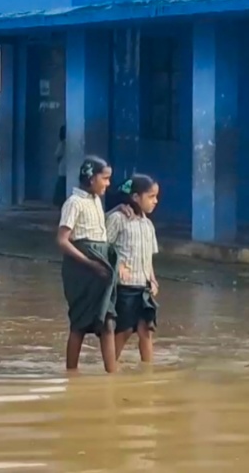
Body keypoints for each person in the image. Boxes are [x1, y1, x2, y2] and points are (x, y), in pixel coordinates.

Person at [56, 156, 118, 373]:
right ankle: (71, 373)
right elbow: (63, 240)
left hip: (100, 268)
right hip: (81, 270)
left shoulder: (95, 202)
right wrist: (90, 263)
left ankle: (113, 375)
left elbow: (96, 228)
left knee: (108, 320)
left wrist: (120, 209)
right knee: (80, 324)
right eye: (105, 178)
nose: (108, 184)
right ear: (92, 179)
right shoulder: (74, 203)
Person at [107, 174, 161, 363]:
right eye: (151, 196)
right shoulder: (118, 219)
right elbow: (103, 247)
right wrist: (118, 264)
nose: (155, 201)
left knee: (146, 330)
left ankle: (148, 373)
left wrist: (153, 279)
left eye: (156, 197)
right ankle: (110, 368)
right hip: (125, 286)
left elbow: (148, 258)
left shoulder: (148, 225)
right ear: (136, 197)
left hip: (144, 286)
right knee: (124, 330)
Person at [52, 126, 67, 207]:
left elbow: (57, 155)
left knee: (61, 185)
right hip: (66, 169)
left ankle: (59, 201)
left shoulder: (62, 143)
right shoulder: (65, 143)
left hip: (62, 168)